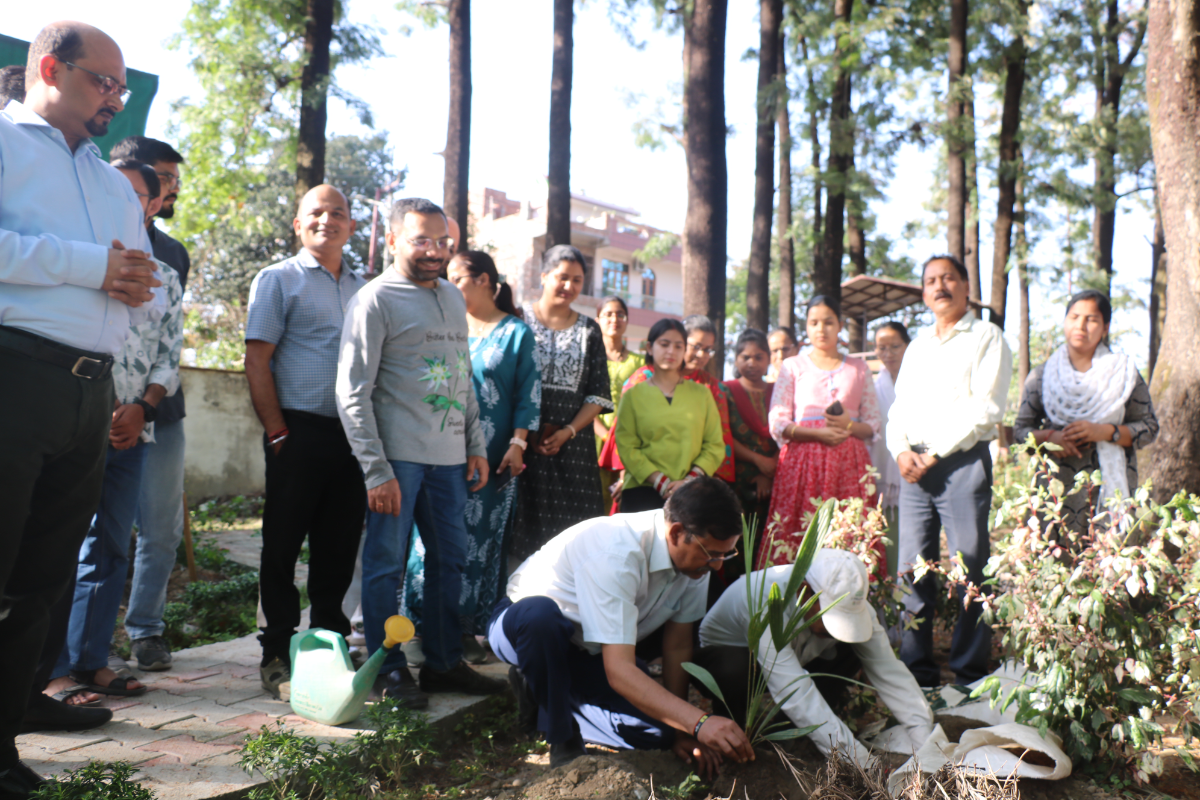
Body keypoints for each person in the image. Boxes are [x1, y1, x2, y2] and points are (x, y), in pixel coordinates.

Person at [0, 22, 163, 797]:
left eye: (122, 90)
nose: (115, 101)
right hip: (14, 373)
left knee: (43, 575)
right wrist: (89, 269)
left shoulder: (106, 177)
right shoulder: (2, 142)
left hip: (89, 388)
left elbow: (134, 280)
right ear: (48, 69)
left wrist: (127, 290)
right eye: (103, 82)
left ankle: (12, 716)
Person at [337, 197, 504, 709]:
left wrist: (474, 444)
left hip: (450, 460)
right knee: (385, 566)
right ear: (392, 241)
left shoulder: (453, 298)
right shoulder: (374, 300)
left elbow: (462, 377)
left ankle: (442, 662)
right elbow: (351, 391)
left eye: (442, 241)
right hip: (397, 463)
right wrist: (375, 470)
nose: (434, 251)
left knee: (450, 561)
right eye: (421, 240)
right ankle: (388, 668)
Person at [489, 477, 755, 773]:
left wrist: (683, 729)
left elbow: (678, 645)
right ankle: (560, 732)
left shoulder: (695, 563)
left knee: (660, 735)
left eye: (725, 554)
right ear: (678, 532)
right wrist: (699, 722)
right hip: (523, 630)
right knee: (540, 617)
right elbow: (620, 671)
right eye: (712, 554)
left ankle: (548, 696)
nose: (717, 565)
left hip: (588, 652)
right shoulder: (617, 552)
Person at [48, 159, 183, 702]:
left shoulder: (166, 278)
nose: (122, 200)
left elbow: (169, 357)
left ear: (152, 204)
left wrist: (141, 410)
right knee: (56, 546)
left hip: (133, 431)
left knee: (110, 548)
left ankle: (90, 660)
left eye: (134, 194)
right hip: (70, 424)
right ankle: (48, 670)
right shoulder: (76, 258)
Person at [245, 185, 368, 699]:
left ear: (351, 226)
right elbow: (257, 359)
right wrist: (277, 432)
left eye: (337, 213)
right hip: (297, 431)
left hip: (354, 436)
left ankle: (328, 644)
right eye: (315, 212)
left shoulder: (366, 290)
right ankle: (276, 650)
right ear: (298, 224)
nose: (327, 220)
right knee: (282, 545)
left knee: (338, 548)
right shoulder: (278, 280)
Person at [402, 251, 542, 663]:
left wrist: (518, 444)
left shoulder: (516, 333)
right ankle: (415, 628)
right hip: (437, 452)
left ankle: (462, 633)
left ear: (484, 281)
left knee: (477, 545)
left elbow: (528, 393)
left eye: (456, 278)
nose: (447, 286)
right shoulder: (444, 327)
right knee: (425, 544)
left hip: (494, 460)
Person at [886, 255, 1012, 687]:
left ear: (964, 285)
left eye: (948, 279)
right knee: (912, 570)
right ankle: (915, 672)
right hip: (915, 469)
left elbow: (987, 410)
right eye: (930, 281)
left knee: (971, 570)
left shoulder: (987, 337)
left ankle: (968, 674)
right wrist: (901, 451)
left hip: (961, 463)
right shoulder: (918, 346)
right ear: (923, 292)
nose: (939, 286)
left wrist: (933, 454)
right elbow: (899, 408)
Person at [696, 549, 935, 763]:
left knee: (856, 642)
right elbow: (793, 689)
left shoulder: (857, 606)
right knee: (734, 668)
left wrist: (925, 738)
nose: (835, 629)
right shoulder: (767, 601)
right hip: (727, 661)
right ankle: (736, 731)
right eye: (830, 616)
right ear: (804, 590)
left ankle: (792, 732)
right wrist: (857, 760)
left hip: (792, 658)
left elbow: (888, 669)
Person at [109, 135, 191, 672]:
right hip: (96, 408)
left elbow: (170, 336)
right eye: (156, 181)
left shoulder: (173, 254)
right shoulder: (91, 238)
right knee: (94, 535)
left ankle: (146, 631)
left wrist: (150, 402)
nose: (163, 193)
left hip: (162, 410)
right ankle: (74, 647)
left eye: (169, 185)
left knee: (159, 529)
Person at [1013, 290, 1158, 535]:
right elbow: (1019, 433)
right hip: (1055, 492)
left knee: (1108, 565)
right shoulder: (1043, 376)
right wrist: (1050, 438)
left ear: (1105, 327)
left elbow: (1149, 428)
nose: (1081, 325)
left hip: (1109, 493)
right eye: (1074, 317)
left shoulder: (1123, 375)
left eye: (1091, 319)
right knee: (1055, 565)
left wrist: (1104, 431)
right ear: (1065, 321)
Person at [511, 245, 614, 562]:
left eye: (577, 280)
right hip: (520, 445)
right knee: (517, 536)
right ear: (544, 277)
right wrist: (521, 436)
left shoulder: (590, 330)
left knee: (573, 543)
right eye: (562, 277)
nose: (569, 286)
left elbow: (597, 394)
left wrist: (568, 431)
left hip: (573, 451)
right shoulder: (517, 320)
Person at [763, 296, 882, 567]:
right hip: (802, 465)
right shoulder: (793, 366)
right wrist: (818, 434)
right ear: (805, 327)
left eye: (828, 322)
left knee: (850, 534)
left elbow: (873, 424)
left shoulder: (858, 367)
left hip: (849, 464)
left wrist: (848, 426)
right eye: (814, 322)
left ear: (840, 325)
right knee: (798, 534)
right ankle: (794, 603)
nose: (821, 329)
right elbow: (778, 422)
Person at [602, 314, 736, 485]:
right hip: (642, 482)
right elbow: (626, 441)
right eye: (696, 346)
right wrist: (629, 478)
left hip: (695, 486)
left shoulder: (711, 389)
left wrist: (694, 480)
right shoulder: (641, 381)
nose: (701, 354)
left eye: (708, 349)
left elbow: (717, 442)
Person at [720, 329, 779, 552]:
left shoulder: (779, 390)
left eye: (758, 357)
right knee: (737, 541)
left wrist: (769, 470)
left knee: (771, 540)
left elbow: (787, 433)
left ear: (768, 360)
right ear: (736, 359)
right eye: (745, 357)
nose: (752, 363)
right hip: (737, 479)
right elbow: (723, 436)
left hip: (776, 476)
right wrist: (759, 461)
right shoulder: (725, 390)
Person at [593, 296, 644, 508]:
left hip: (629, 440)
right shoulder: (590, 359)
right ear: (597, 320)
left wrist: (620, 441)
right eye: (608, 314)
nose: (615, 319)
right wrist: (606, 437)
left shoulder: (640, 362)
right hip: (593, 436)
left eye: (620, 314)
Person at [871, 321, 910, 575]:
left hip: (915, 469)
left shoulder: (920, 382)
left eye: (895, 346)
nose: (888, 354)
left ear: (908, 346)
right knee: (887, 539)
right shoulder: (873, 388)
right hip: (884, 476)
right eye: (881, 348)